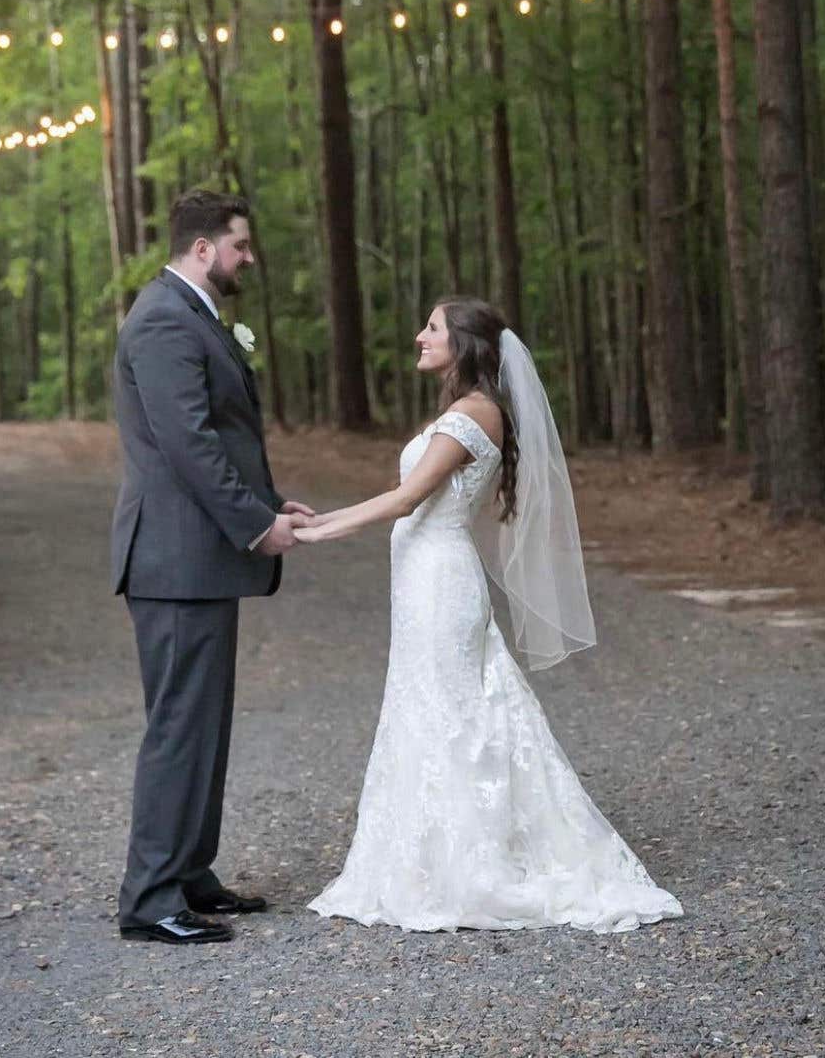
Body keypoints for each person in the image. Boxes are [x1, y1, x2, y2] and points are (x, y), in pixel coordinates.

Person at [294, 296, 683, 934]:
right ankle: (429, 858)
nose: (419, 335)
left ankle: (470, 864)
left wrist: (320, 533)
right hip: (425, 579)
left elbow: (407, 499)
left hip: (441, 580)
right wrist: (318, 519)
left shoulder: (473, 416)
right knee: (433, 706)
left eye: (433, 328)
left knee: (454, 711)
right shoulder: (464, 412)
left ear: (466, 345)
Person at [110, 189, 314, 945]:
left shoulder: (189, 313)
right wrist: (255, 525)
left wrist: (270, 501)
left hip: (199, 558)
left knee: (205, 723)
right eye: (240, 245)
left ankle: (190, 871)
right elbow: (188, 445)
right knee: (178, 727)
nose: (248, 258)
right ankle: (149, 898)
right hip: (173, 558)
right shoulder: (163, 319)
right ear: (203, 248)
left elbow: (218, 437)